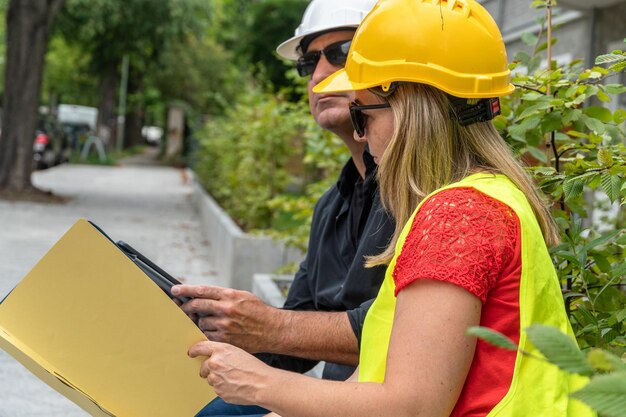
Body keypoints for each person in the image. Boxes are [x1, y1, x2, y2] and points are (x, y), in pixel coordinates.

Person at [187, 0, 596, 416]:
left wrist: (259, 383)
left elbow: (411, 407)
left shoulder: (458, 215)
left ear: (412, 111)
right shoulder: (483, 198)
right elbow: (376, 372)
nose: (361, 136)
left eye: (362, 115)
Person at [173, 0, 393, 415]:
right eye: (309, 62)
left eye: (342, 53)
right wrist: (212, 323)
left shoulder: (426, 195)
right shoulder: (332, 205)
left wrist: (271, 326)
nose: (320, 75)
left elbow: (401, 330)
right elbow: (289, 342)